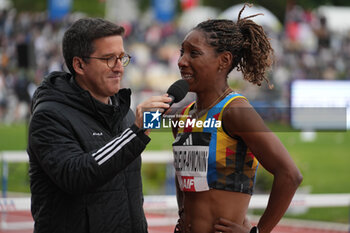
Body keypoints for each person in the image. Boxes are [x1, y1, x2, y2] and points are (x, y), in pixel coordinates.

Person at [27, 18, 171, 233]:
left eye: (122, 58)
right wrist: (134, 134)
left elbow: (131, 195)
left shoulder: (125, 114)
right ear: (79, 64)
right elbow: (76, 176)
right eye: (108, 59)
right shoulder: (49, 116)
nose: (119, 68)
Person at [172, 4, 303, 233]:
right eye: (181, 52)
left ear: (224, 61)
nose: (182, 61)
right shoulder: (182, 116)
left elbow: (290, 175)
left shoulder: (235, 111)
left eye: (193, 53)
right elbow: (182, 176)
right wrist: (183, 212)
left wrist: (258, 232)